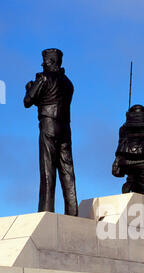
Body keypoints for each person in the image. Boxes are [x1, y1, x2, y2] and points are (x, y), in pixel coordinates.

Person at [24, 48, 78, 216]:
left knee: (48, 169)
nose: (43, 63)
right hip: (65, 128)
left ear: (51, 61)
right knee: (67, 169)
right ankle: (72, 210)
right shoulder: (68, 83)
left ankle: (46, 209)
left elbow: (28, 101)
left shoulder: (44, 78)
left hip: (48, 124)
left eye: (45, 61)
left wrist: (29, 88)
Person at [112, 104, 144, 196]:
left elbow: (120, 144)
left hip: (126, 163)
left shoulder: (123, 128)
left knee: (132, 178)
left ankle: (130, 183)